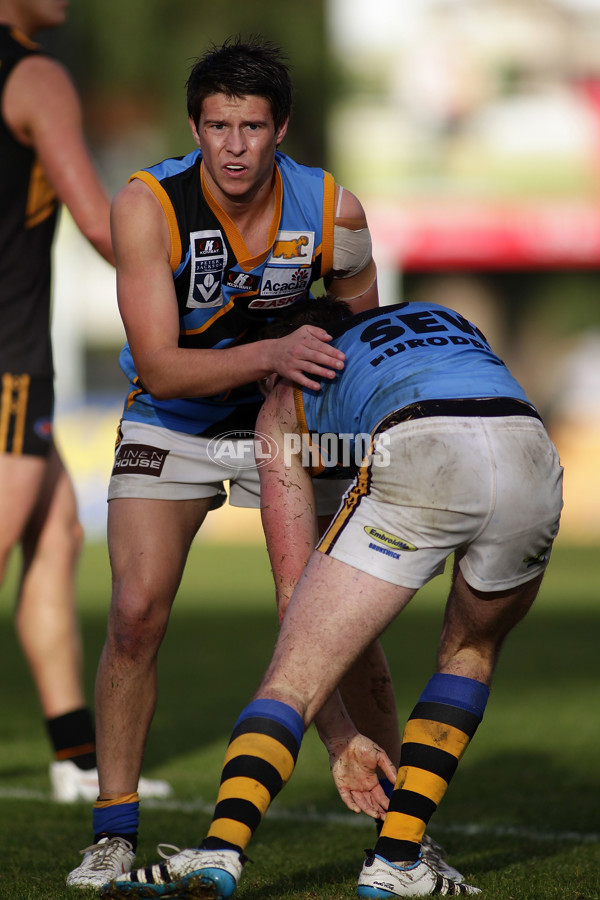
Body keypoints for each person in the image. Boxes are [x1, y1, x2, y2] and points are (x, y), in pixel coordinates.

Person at [65, 36, 411, 889]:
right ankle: (112, 836)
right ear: (194, 125)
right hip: (175, 418)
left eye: (251, 126)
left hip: (290, 423)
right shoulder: (148, 205)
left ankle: (404, 840)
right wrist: (274, 354)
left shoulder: (335, 210)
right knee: (135, 614)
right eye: (217, 124)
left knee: (349, 628)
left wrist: (355, 425)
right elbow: (157, 365)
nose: (232, 145)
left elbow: (361, 333)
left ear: (280, 128)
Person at [101, 296, 563, 898]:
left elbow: (294, 589)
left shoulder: (283, 394)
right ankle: (398, 860)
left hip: (420, 444)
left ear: (279, 365)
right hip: (529, 446)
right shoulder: (441, 314)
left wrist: (341, 740)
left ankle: (218, 853)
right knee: (471, 650)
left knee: (291, 678)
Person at [0, 0, 170, 804]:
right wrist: (204, 277)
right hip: (7, 362)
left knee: (58, 530)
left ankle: (75, 757)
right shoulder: (33, 73)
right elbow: (103, 224)